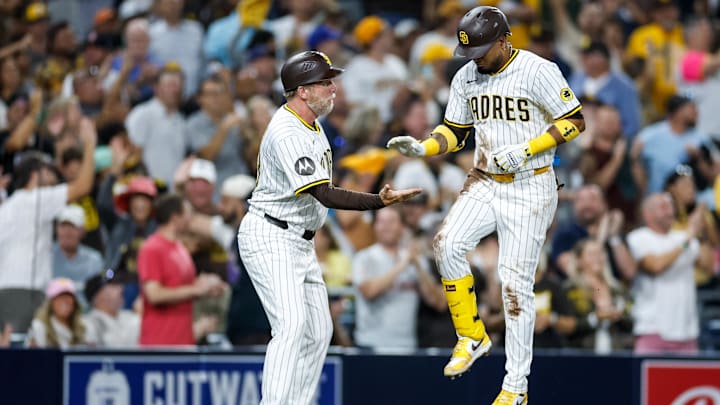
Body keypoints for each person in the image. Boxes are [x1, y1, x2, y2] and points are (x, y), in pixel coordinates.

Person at [387, 7, 585, 404]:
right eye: (470, 49)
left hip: (531, 185)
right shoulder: (466, 75)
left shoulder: (537, 69)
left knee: (514, 286)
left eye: (481, 48)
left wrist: (527, 148)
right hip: (484, 179)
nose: (475, 56)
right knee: (445, 244)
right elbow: (455, 132)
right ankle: (472, 336)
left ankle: (515, 387)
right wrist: (422, 147)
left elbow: (575, 121)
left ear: (503, 39)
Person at [237, 50, 421, 405]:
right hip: (271, 234)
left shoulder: (313, 124)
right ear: (302, 91)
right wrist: (377, 201)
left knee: (319, 332)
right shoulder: (288, 131)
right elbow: (324, 193)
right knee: (290, 327)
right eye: (324, 82)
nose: (333, 87)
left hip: (298, 240)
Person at [0, 117, 96, 333]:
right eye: (48, 172)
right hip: (25, 292)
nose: (53, 177)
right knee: (25, 360)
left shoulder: (8, 206)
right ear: (34, 175)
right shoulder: (34, 200)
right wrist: (89, 144)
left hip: (6, 291)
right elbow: (82, 186)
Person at [137, 193, 225, 346]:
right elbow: (154, 294)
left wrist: (208, 287)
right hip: (159, 343)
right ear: (175, 217)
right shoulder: (151, 248)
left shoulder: (180, 248)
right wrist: (197, 290)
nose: (191, 218)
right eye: (188, 213)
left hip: (184, 342)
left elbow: (182, 287)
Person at [627, 193, 702, 354]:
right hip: (652, 329)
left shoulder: (684, 237)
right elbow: (655, 266)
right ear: (647, 213)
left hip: (687, 331)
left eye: (671, 206)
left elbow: (708, 267)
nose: (670, 211)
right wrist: (686, 241)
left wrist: (701, 232)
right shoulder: (639, 237)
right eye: (663, 207)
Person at [26, 277, 95, 348]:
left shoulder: (84, 326)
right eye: (59, 296)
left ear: (74, 302)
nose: (65, 300)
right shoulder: (39, 327)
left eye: (68, 296)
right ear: (51, 302)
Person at [83, 269, 140, 347]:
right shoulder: (88, 324)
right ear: (98, 296)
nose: (121, 288)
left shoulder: (129, 316)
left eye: (119, 284)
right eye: (113, 286)